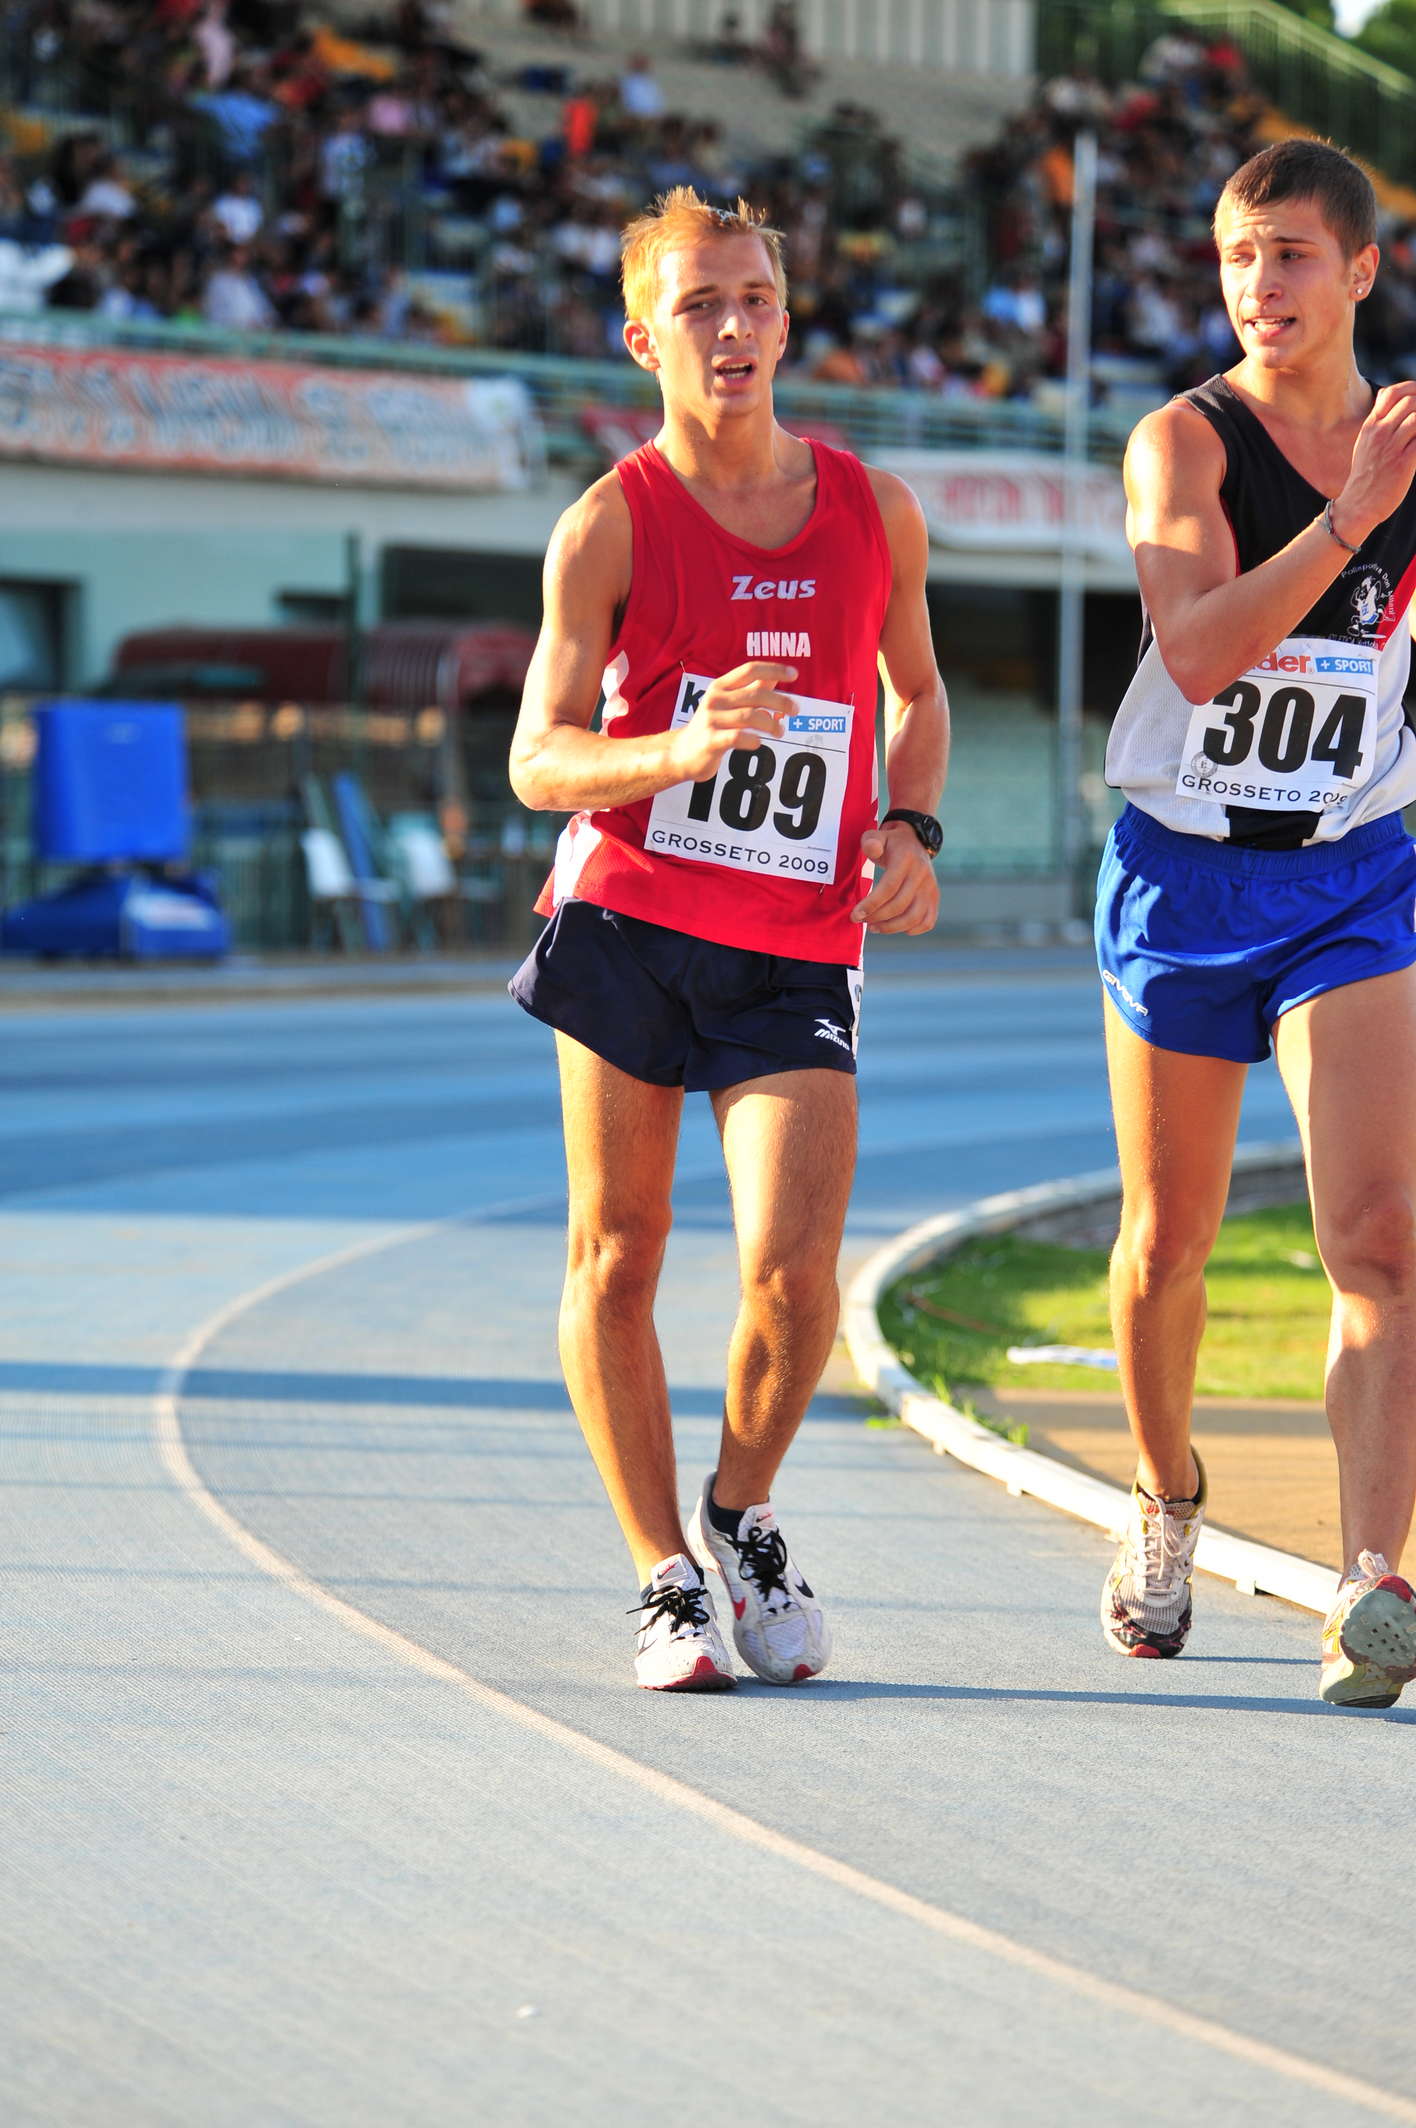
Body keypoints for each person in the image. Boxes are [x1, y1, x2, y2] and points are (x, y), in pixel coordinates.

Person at [509, 187, 947, 1691]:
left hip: (796, 938)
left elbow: (919, 697)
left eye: (755, 298)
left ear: (786, 318)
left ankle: (741, 1512)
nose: (736, 327)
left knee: (794, 1274)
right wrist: (678, 752)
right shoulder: (607, 523)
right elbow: (539, 759)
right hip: (629, 919)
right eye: (700, 305)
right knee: (618, 1250)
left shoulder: (875, 510)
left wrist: (912, 827)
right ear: (646, 339)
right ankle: (661, 1575)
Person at [1097, 139, 1416, 1708]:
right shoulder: (1184, 443)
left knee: (1379, 1238)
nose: (1260, 284)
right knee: (1169, 1242)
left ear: (1360, 269)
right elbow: (1203, 652)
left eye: (1291, 254)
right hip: (1186, 873)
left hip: (1352, 872)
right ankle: (1166, 1496)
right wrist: (1352, 517)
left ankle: (1372, 1587)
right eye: (1238, 255)